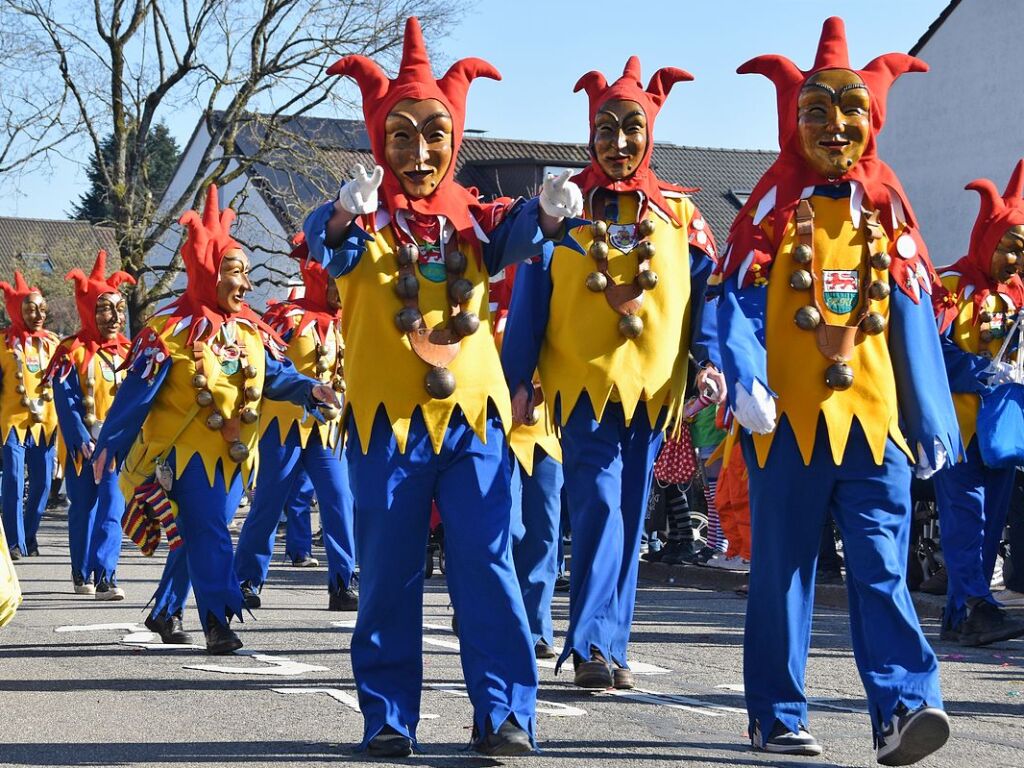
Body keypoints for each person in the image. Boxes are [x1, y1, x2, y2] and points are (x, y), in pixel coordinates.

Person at [303, 17, 580, 758]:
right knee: (388, 574)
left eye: (435, 133)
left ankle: (506, 716)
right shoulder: (362, 225)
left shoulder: (472, 226)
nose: (421, 152)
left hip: (474, 422)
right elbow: (323, 241)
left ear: (456, 139)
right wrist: (341, 211)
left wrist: (550, 211)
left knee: (489, 564)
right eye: (403, 135)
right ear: (378, 141)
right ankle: (389, 719)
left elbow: (519, 229)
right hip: (384, 424)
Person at [715, 17, 959, 764]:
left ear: (872, 121)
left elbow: (916, 316)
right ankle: (778, 715)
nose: (835, 126)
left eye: (850, 110)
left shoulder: (890, 206)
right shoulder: (772, 208)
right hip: (786, 422)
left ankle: (906, 707)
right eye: (816, 111)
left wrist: (931, 418)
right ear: (794, 122)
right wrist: (745, 375)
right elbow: (730, 299)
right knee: (784, 572)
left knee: (881, 568)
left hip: (873, 423)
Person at [502, 55, 724, 691]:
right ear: (589, 134)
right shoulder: (563, 212)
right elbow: (528, 302)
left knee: (627, 510)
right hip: (580, 387)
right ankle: (592, 644)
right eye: (606, 128)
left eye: (632, 127)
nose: (619, 142)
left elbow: (703, 297)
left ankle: (610, 644)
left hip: (654, 391)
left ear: (651, 134)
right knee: (599, 503)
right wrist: (518, 379)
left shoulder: (681, 217)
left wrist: (705, 362)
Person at [93, 184, 338, 654]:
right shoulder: (168, 332)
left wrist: (311, 390)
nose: (244, 284)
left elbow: (278, 377)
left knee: (198, 537)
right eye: (233, 272)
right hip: (183, 459)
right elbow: (134, 397)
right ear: (207, 270)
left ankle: (165, 610)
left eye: (245, 273)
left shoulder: (251, 330)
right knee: (209, 535)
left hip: (235, 460)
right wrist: (110, 446)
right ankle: (218, 622)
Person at [234, 235, 357, 611]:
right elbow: (264, 365)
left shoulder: (350, 322)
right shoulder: (285, 317)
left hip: (327, 431)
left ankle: (342, 582)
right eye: (336, 284)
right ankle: (246, 580)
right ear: (320, 278)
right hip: (281, 428)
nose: (341, 293)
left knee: (339, 501)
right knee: (268, 505)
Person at [932, 161, 1024, 646]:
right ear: (987, 240)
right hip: (958, 429)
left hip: (1003, 433)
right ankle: (974, 605)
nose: (1014, 262)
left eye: (1022, 254)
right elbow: (928, 350)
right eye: (1009, 249)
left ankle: (961, 615)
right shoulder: (948, 288)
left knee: (990, 525)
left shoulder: (1019, 297)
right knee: (966, 520)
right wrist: (977, 371)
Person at [47, 250, 134, 598]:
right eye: (104, 309)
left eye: (119, 309)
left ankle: (105, 575)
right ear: (88, 309)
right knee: (82, 508)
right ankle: (81, 572)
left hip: (115, 445)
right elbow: (65, 399)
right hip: (82, 445)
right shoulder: (70, 351)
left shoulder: (130, 351)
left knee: (112, 506)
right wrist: (79, 436)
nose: (114, 317)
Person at [493, 265, 564, 661]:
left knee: (544, 531)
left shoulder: (553, 309)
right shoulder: (482, 309)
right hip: (498, 433)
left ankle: (536, 627)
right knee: (507, 528)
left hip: (545, 432)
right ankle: (499, 613)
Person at [0, 272, 58, 561]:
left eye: (42, 308)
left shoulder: (53, 343)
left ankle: (29, 534)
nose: (38, 315)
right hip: (11, 422)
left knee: (43, 483)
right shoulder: (2, 343)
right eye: (30, 309)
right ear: (17, 310)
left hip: (45, 423)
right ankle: (14, 541)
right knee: (11, 478)